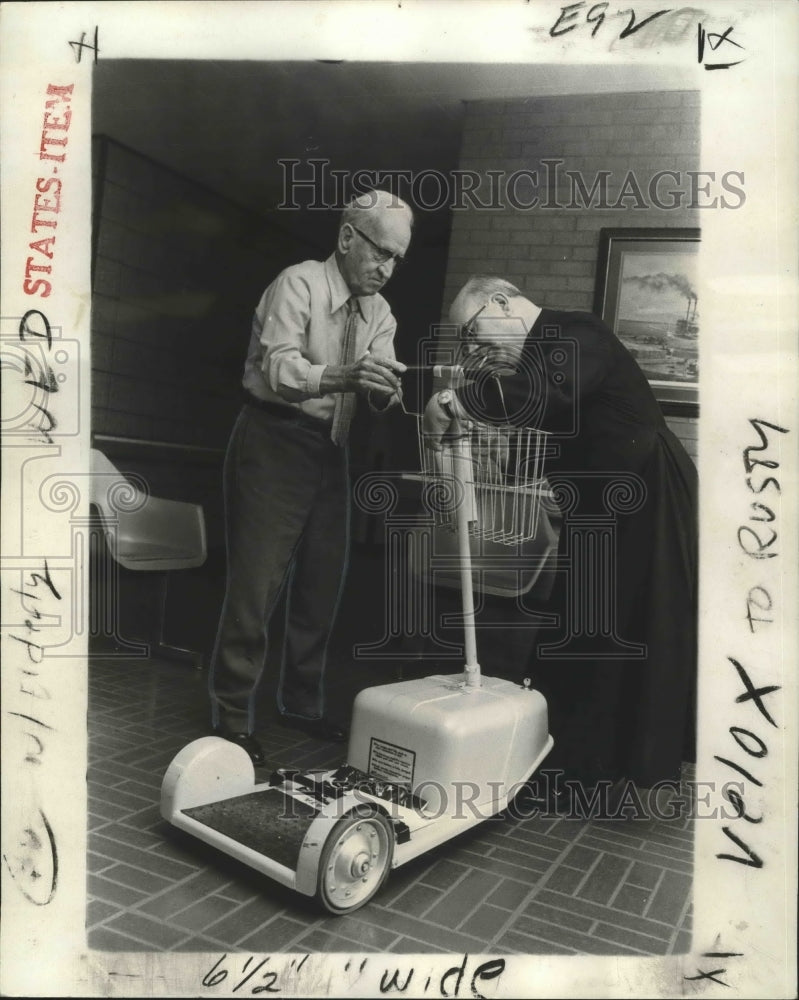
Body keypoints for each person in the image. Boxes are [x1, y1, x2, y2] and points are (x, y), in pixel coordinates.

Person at [424, 275, 698, 806]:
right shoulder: (543, 353)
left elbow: (549, 396)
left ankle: (592, 769)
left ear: (500, 302)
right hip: (611, 502)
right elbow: (576, 426)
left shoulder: (575, 332)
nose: (475, 346)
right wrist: (506, 453)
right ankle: (574, 765)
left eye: (474, 331)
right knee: (587, 628)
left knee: (621, 630)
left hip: (649, 498)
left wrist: (456, 400)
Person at [209, 190, 412, 764]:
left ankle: (299, 704)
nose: (387, 268)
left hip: (332, 451)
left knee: (322, 585)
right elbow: (279, 367)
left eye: (398, 258)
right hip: (273, 438)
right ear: (348, 238)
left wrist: (388, 393)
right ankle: (230, 716)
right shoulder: (297, 283)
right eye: (380, 252)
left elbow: (377, 391)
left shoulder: (380, 313)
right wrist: (349, 375)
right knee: (257, 585)